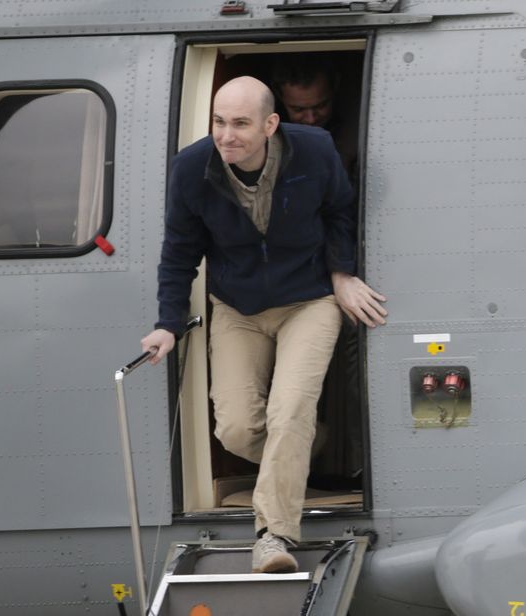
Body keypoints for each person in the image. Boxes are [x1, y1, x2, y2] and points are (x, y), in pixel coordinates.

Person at [140, 76, 386, 574]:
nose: (226, 135)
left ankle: (273, 536)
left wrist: (341, 275)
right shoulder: (191, 168)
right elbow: (178, 252)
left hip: (309, 300)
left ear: (271, 125)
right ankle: (310, 446)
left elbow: (340, 211)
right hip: (237, 306)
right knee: (235, 428)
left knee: (289, 409)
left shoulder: (314, 151)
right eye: (218, 121)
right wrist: (168, 323)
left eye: (240, 124)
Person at [271, 54, 359, 179]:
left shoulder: (357, 131)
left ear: (336, 85)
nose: (311, 119)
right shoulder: (268, 139)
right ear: (279, 96)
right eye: (298, 109)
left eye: (321, 106)